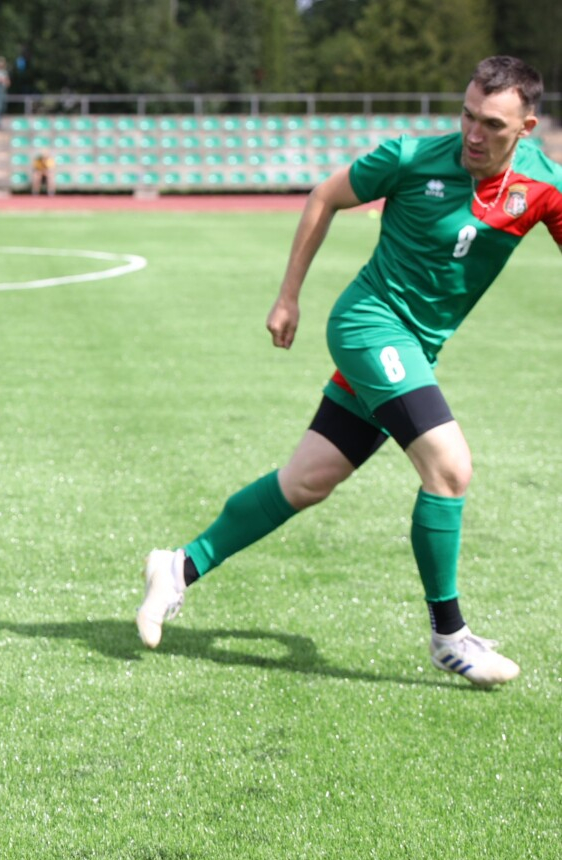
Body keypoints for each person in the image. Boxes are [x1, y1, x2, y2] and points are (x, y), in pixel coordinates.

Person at [136, 56, 562, 689]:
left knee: (306, 482)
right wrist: (288, 297)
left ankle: (178, 566)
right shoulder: (412, 156)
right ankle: (450, 636)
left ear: (526, 127)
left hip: (413, 349)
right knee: (450, 468)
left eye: (492, 125)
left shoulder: (545, 185)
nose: (474, 134)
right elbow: (325, 197)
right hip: (369, 326)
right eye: (468, 114)